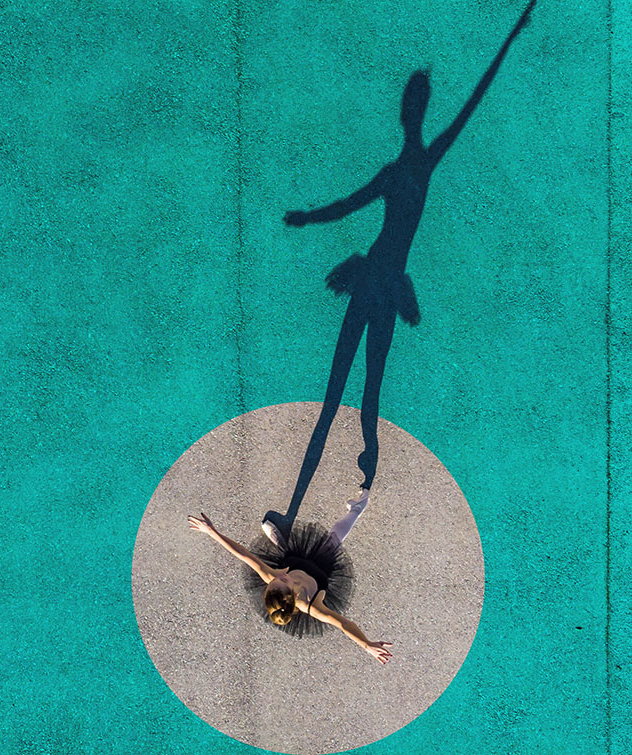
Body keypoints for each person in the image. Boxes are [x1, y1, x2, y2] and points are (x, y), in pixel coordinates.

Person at [262, 0, 536, 543]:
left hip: (376, 283)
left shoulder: (408, 167)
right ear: (415, 113)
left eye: (412, 105)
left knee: (351, 395)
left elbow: (472, 103)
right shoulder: (416, 166)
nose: (411, 112)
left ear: (409, 113)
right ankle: (320, 502)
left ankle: (329, 499)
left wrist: (510, 38)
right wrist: (308, 216)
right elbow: (348, 203)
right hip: (380, 284)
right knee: (353, 395)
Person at [188, 491, 393, 664]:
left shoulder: (273, 576)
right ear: (292, 595)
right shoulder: (311, 606)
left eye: (275, 580)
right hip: (320, 567)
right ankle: (358, 507)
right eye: (283, 580)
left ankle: (278, 538)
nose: (281, 575)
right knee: (333, 540)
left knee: (285, 554)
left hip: (296, 560)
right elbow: (343, 624)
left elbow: (243, 554)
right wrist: (366, 645)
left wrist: (211, 532)